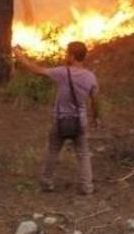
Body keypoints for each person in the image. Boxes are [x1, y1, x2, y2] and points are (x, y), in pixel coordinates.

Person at [13, 42, 100, 195]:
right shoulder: (90, 77)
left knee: (53, 151)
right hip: (80, 121)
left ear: (72, 56)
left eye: (67, 53)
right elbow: (95, 99)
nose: (66, 56)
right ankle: (87, 187)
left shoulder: (62, 73)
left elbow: (37, 70)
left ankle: (46, 183)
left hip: (61, 121)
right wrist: (95, 117)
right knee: (83, 154)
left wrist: (19, 56)